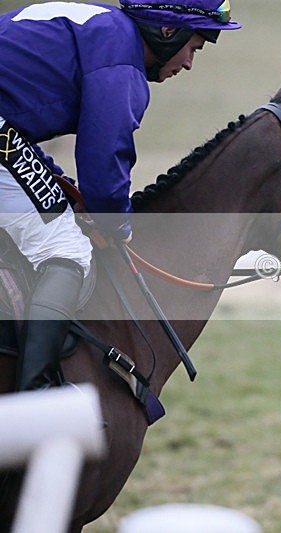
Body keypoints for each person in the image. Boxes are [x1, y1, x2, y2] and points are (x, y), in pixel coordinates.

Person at [0, 0, 241, 391]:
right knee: (66, 248)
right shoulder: (121, 59)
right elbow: (104, 153)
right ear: (168, 31)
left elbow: (18, 138)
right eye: (194, 47)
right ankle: (36, 394)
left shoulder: (105, 27)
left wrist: (64, 186)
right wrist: (116, 225)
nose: (189, 64)